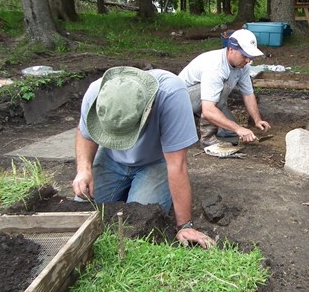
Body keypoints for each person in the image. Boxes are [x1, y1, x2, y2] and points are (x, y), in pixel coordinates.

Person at [72, 66, 214, 248]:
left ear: (150, 108)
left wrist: (185, 225)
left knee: (139, 224)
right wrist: (84, 170)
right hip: (111, 159)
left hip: (154, 161)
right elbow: (85, 134)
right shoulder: (96, 93)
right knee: (83, 212)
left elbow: (176, 164)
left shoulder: (171, 94)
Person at [179, 28, 271, 147]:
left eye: (250, 56)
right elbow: (208, 110)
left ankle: (198, 124)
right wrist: (239, 128)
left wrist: (257, 120)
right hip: (179, 102)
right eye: (245, 55)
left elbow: (248, 94)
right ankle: (207, 140)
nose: (248, 60)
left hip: (203, 101)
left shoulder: (243, 65)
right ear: (231, 50)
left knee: (230, 133)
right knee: (223, 89)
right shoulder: (216, 67)